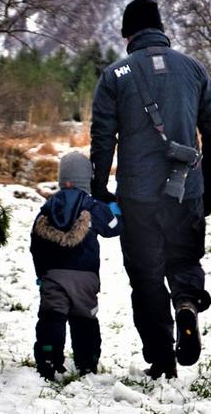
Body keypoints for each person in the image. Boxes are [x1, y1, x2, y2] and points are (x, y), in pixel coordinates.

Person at [90, 0, 211, 379]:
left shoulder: (115, 75)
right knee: (184, 261)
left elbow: (102, 138)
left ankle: (162, 360)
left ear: (126, 33)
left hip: (138, 196)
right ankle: (186, 303)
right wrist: (208, 184)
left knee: (146, 277)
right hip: (187, 190)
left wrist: (101, 188)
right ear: (161, 28)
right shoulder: (194, 69)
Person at [30, 151, 122, 380]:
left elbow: (36, 244)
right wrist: (115, 206)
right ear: (86, 180)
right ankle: (86, 362)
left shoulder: (48, 207)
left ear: (62, 179)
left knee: (52, 317)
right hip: (85, 276)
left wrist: (41, 274)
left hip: (53, 275)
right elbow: (114, 227)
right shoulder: (91, 205)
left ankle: (49, 359)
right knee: (85, 319)